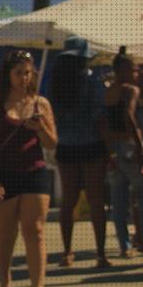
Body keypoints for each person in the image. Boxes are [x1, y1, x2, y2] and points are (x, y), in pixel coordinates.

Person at [0, 50, 58, 287]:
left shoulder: (41, 103)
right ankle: (5, 280)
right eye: (18, 73)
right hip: (4, 173)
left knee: (34, 231)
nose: (24, 78)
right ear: (8, 74)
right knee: (7, 231)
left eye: (27, 72)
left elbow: (51, 143)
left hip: (35, 171)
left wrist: (40, 128)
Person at [50, 35, 110, 268]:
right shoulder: (91, 81)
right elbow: (100, 116)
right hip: (91, 144)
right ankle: (101, 253)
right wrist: (109, 150)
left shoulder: (55, 82)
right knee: (96, 199)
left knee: (68, 200)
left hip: (66, 145)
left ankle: (67, 252)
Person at [103, 48, 143, 258]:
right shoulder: (130, 91)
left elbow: (103, 123)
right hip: (131, 147)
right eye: (133, 69)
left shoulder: (108, 91)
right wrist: (141, 146)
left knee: (119, 202)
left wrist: (109, 152)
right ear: (123, 70)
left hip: (115, 150)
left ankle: (125, 246)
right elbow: (129, 115)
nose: (136, 73)